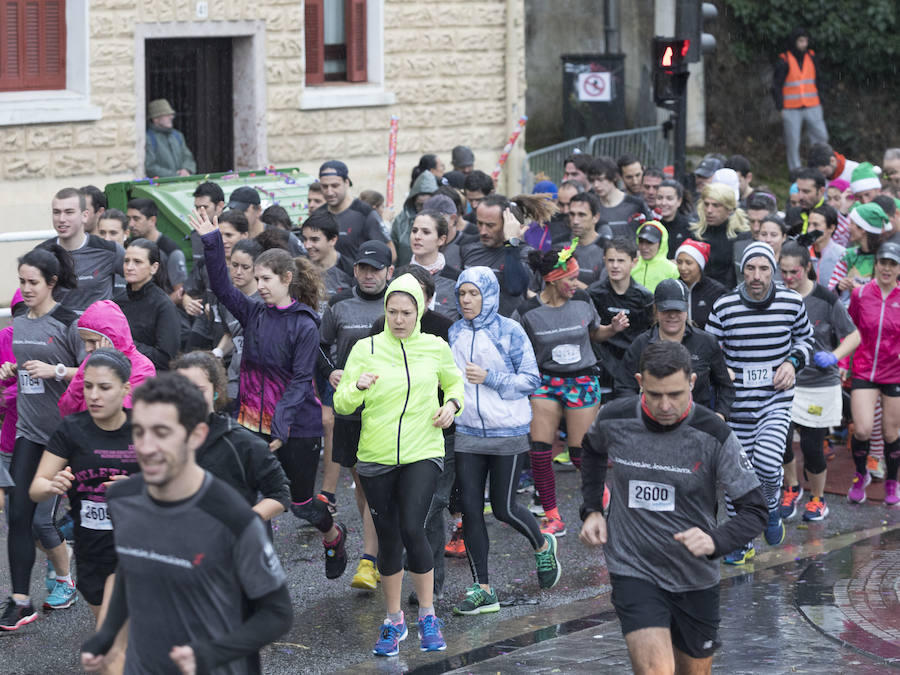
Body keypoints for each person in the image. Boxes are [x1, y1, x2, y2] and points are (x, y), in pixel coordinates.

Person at [79, 373, 292, 673]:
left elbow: (277, 614)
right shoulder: (122, 498)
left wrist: (210, 653)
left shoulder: (233, 519)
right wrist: (106, 635)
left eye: (162, 432)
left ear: (196, 435)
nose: (146, 446)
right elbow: (131, 569)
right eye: (139, 431)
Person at [579, 341, 767, 675]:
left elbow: (755, 510)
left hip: (694, 575)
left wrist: (716, 541)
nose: (666, 405)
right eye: (655, 394)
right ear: (640, 382)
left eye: (676, 394)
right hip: (633, 565)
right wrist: (592, 508)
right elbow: (591, 450)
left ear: (692, 382)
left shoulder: (714, 434)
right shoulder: (615, 418)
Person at [190, 208, 348, 579]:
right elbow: (222, 286)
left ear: (287, 279)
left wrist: (279, 428)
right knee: (251, 500)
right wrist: (212, 242)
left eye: (266, 278)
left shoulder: (304, 324)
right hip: (250, 422)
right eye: (256, 277)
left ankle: (333, 534)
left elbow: (299, 381)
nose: (258, 285)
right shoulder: (253, 313)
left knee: (302, 504)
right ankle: (260, 572)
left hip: (296, 426)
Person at [333, 274, 464, 656]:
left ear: (419, 311)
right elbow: (341, 403)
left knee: (412, 527)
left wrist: (451, 407)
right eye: (393, 312)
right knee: (389, 538)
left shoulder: (435, 347)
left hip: (423, 450)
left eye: (407, 312)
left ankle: (428, 614)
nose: (399, 319)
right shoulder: (365, 348)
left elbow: (455, 385)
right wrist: (356, 387)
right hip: (375, 457)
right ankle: (393, 620)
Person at [449, 267, 561, 616]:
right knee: (470, 511)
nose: (467, 300)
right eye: (462, 294)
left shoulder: (509, 331)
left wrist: (490, 378)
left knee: (503, 508)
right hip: (467, 433)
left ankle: (543, 545)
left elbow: (531, 379)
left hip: (507, 432)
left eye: (474, 294)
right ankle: (483, 588)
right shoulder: (454, 332)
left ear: (489, 295)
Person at [706, 242, 814, 564]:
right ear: (742, 270)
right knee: (735, 474)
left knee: (767, 462)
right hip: (735, 404)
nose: (756, 275)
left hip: (774, 399)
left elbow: (806, 339)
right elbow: (709, 346)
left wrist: (792, 362)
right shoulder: (724, 306)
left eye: (763, 268)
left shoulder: (791, 302)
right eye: (751, 268)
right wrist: (719, 367)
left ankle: (769, 509)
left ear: (773, 270)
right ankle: (741, 540)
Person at [30, 349, 137, 665]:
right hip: (92, 552)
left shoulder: (145, 429)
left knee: (110, 645)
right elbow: (36, 488)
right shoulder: (71, 430)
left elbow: (178, 487)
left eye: (104, 387)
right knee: (111, 653)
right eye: (88, 386)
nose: (94, 395)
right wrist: (51, 486)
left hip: (137, 550)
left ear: (125, 389)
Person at [515, 245, 629, 536]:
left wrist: (612, 329)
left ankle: (602, 497)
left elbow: (594, 333)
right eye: (571, 278)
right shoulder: (528, 312)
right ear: (552, 280)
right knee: (540, 450)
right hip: (546, 381)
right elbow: (517, 350)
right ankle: (552, 516)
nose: (576, 284)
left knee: (580, 453)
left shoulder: (581, 299)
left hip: (581, 380)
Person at [0, 246, 82, 629]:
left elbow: (92, 372)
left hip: (67, 436)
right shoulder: (19, 319)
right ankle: (20, 601)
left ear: (51, 283)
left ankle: (70, 578)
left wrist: (57, 370)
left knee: (43, 519)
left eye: (34, 283)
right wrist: (11, 370)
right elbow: (25, 371)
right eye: (22, 282)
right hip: (29, 432)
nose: (27, 289)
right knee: (17, 516)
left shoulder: (69, 321)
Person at [777, 243, 859, 521]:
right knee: (782, 441)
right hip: (786, 382)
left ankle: (818, 499)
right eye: (784, 272)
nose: (788, 278)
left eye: (794, 272)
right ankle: (792, 488)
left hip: (820, 385)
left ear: (808, 268)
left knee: (812, 447)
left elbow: (854, 336)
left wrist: (834, 357)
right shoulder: (777, 295)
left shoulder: (825, 297)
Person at [173, 351, 290, 519]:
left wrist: (243, 523)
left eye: (199, 390)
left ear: (216, 392)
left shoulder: (241, 441)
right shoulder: (165, 439)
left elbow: (280, 493)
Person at [617, 279, 734, 419]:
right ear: (656, 309)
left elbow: (725, 386)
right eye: (666, 310)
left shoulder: (706, 342)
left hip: (696, 424)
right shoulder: (641, 344)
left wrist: (720, 415)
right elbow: (624, 386)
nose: (672, 315)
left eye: (677, 310)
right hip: (653, 423)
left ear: (687, 308)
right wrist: (639, 415)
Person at [843, 242, 900, 505]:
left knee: (891, 433)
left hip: (894, 373)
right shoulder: (861, 294)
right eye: (883, 263)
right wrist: (843, 364)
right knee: (863, 429)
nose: (887, 268)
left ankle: (891, 482)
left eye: (892, 264)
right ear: (876, 264)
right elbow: (850, 330)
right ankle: (860, 474)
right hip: (864, 369)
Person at [59, 299, 157, 416]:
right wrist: (84, 372)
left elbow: (128, 414)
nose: (87, 348)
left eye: (92, 341)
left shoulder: (143, 368)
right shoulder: (90, 361)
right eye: (84, 341)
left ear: (112, 338)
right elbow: (67, 409)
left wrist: (106, 367)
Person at [461, 194, 553, 317]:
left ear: (508, 223)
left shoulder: (526, 254)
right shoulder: (468, 250)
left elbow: (515, 288)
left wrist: (511, 244)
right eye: (479, 223)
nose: (483, 231)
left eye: (490, 225)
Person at [39, 187, 122, 313]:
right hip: (57, 331)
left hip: (98, 330)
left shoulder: (110, 250)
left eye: (69, 212)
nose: (61, 219)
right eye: (56, 212)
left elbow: (141, 280)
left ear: (84, 215)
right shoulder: (41, 254)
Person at [588, 237, 654, 390]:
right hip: (602, 365)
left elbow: (650, 335)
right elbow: (589, 334)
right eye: (610, 260)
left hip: (633, 363)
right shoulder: (593, 294)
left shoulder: (645, 298)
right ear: (604, 260)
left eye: (621, 261)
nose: (615, 266)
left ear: (634, 262)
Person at [114, 239, 180, 371]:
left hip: (149, 380)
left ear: (154, 267)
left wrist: (124, 345)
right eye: (126, 261)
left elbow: (166, 359)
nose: (129, 267)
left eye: (137, 262)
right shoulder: (117, 302)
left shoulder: (164, 306)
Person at [773, 27, 828, 171]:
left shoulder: (812, 57)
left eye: (806, 41)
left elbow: (820, 79)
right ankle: (795, 173)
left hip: (813, 105)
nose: (804, 44)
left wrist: (821, 99)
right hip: (791, 109)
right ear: (794, 42)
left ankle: (819, 168)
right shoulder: (784, 60)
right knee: (793, 143)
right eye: (801, 41)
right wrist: (780, 107)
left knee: (822, 138)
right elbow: (776, 86)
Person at [318, 160, 389, 261]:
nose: (329, 192)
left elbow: (389, 252)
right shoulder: (317, 215)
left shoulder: (365, 213)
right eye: (325, 186)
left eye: (335, 186)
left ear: (346, 183)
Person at [691, 182, 751, 289]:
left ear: (729, 209)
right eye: (706, 204)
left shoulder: (741, 236)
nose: (709, 210)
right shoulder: (695, 233)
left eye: (715, 205)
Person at [125, 197, 187, 302]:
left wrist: (157, 306)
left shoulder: (171, 251)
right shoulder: (129, 246)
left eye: (136, 219)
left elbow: (180, 293)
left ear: (152, 220)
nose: (131, 224)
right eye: (129, 219)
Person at [828, 202, 891, 301]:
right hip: (850, 313)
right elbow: (830, 292)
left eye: (852, 223)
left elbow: (892, 293)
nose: (849, 227)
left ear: (863, 229)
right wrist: (839, 287)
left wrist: (862, 290)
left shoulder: (887, 259)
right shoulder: (848, 255)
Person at [409, 210, 461, 320]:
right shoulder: (398, 276)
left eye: (426, 232)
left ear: (441, 240)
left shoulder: (457, 279)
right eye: (414, 231)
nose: (417, 236)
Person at [588, 156, 649, 237]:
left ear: (614, 177)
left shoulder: (636, 204)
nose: (596, 185)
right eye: (592, 180)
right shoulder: (591, 206)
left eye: (600, 179)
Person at [301, 209, 355, 301]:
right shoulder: (301, 268)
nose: (307, 245)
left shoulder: (350, 270)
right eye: (305, 239)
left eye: (314, 240)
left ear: (333, 240)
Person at [674, 239, 727, 330]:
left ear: (700, 265)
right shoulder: (673, 288)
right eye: (679, 262)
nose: (682, 268)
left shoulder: (716, 291)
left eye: (688, 263)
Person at [564, 192, 610, 287]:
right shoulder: (560, 245)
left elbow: (605, 294)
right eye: (572, 214)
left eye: (581, 215)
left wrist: (572, 284)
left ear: (595, 217)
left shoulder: (607, 249)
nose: (575, 221)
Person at [144, 98, 196, 177]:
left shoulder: (178, 136)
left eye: (171, 114)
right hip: (161, 187)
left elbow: (188, 158)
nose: (171, 117)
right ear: (155, 119)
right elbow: (150, 167)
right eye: (167, 115)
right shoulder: (148, 138)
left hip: (181, 184)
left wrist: (186, 170)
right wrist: (175, 175)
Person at [631, 221, 679, 292]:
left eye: (650, 242)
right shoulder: (630, 266)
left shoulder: (672, 270)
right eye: (641, 241)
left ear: (661, 243)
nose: (644, 247)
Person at [806, 204, 845, 286]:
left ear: (831, 228)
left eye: (816, 225)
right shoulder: (803, 251)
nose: (810, 230)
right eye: (809, 224)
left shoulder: (842, 255)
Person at [656, 179, 693, 257]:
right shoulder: (651, 225)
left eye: (669, 198)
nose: (663, 203)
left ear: (679, 201)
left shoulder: (689, 228)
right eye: (659, 198)